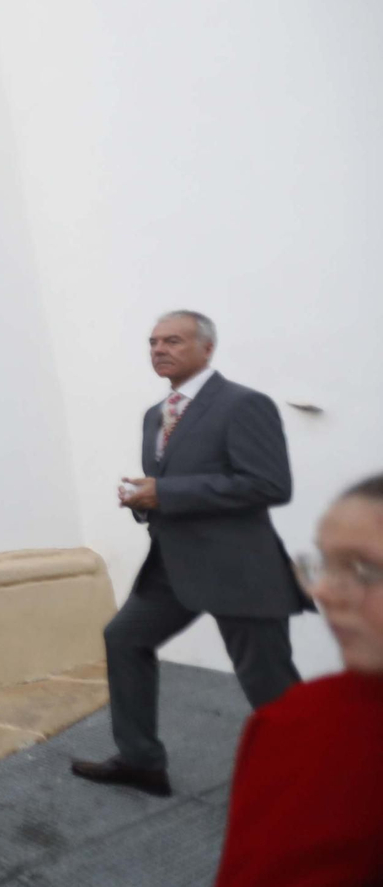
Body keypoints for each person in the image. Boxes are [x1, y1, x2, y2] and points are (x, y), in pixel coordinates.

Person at [72, 311, 309, 797]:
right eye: (153, 342)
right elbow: (167, 489)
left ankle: (318, 786)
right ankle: (141, 762)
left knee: (271, 686)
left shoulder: (244, 404)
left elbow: (269, 484)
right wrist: (144, 502)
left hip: (240, 569)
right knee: (124, 639)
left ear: (206, 349)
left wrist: (169, 493)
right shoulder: (154, 416)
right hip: (173, 567)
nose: (159, 349)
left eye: (173, 341)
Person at [215, 474, 383, 885]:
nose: (322, 591)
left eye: (363, 568)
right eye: (324, 563)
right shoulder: (306, 723)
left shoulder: (305, 726)